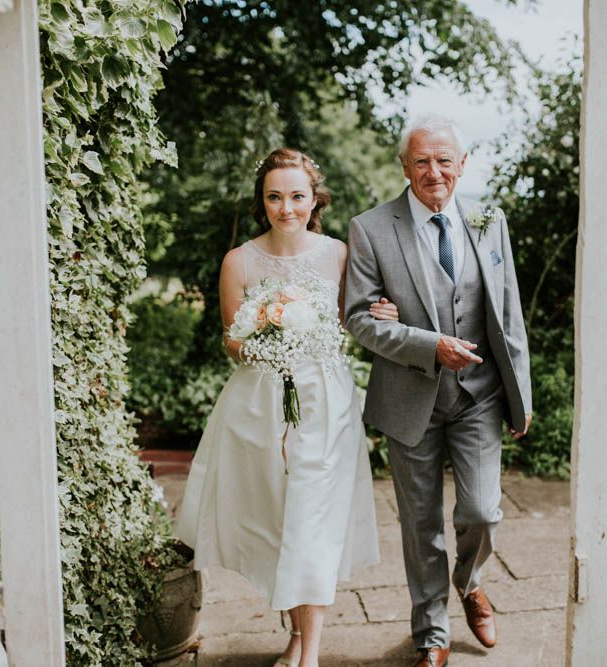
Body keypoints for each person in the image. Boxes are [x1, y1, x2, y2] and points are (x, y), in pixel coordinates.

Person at [177, 148, 395, 667]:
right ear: (263, 201)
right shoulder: (240, 261)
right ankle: (297, 636)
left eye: (296, 196)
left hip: (326, 404)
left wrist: (381, 311)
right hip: (260, 405)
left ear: (313, 198)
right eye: (274, 196)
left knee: (313, 520)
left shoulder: (339, 253)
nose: (286, 207)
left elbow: (354, 319)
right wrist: (266, 336)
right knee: (280, 522)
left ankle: (311, 654)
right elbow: (232, 341)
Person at [345, 115, 532, 667]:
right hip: (410, 399)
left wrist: (522, 396)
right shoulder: (371, 228)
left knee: (481, 510)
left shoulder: (488, 219)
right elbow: (360, 319)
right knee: (419, 523)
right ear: (404, 165)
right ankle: (431, 631)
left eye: (444, 160)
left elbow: (509, 313)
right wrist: (428, 345)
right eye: (422, 161)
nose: (434, 171)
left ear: (462, 164)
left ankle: (470, 584)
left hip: (479, 397)